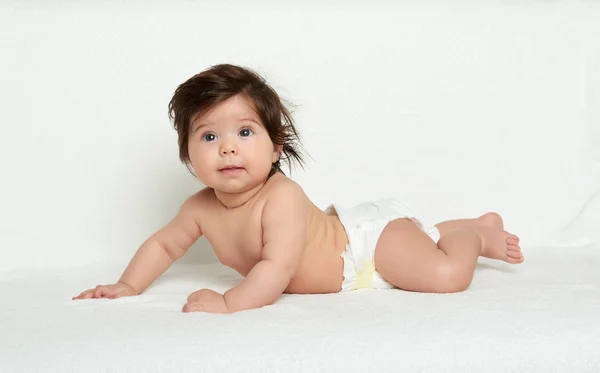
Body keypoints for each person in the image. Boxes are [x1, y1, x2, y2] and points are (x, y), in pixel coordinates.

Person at [73, 64, 524, 313]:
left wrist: (230, 305)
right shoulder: (199, 208)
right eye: (209, 137)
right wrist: (128, 285)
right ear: (190, 156)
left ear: (275, 148)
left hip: (365, 247)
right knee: (420, 254)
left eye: (245, 133)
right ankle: (447, 229)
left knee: (446, 278)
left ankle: (474, 235)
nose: (228, 148)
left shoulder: (280, 197)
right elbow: (163, 246)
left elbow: (277, 267)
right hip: (358, 271)